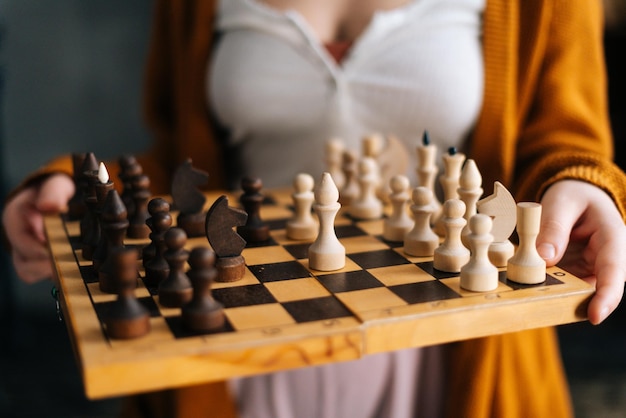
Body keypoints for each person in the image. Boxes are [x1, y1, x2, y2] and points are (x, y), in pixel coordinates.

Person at [3, 0, 626, 417]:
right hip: (237, 334)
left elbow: (564, 140)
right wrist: (77, 190)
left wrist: (584, 186)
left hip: (454, 335)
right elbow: (179, 169)